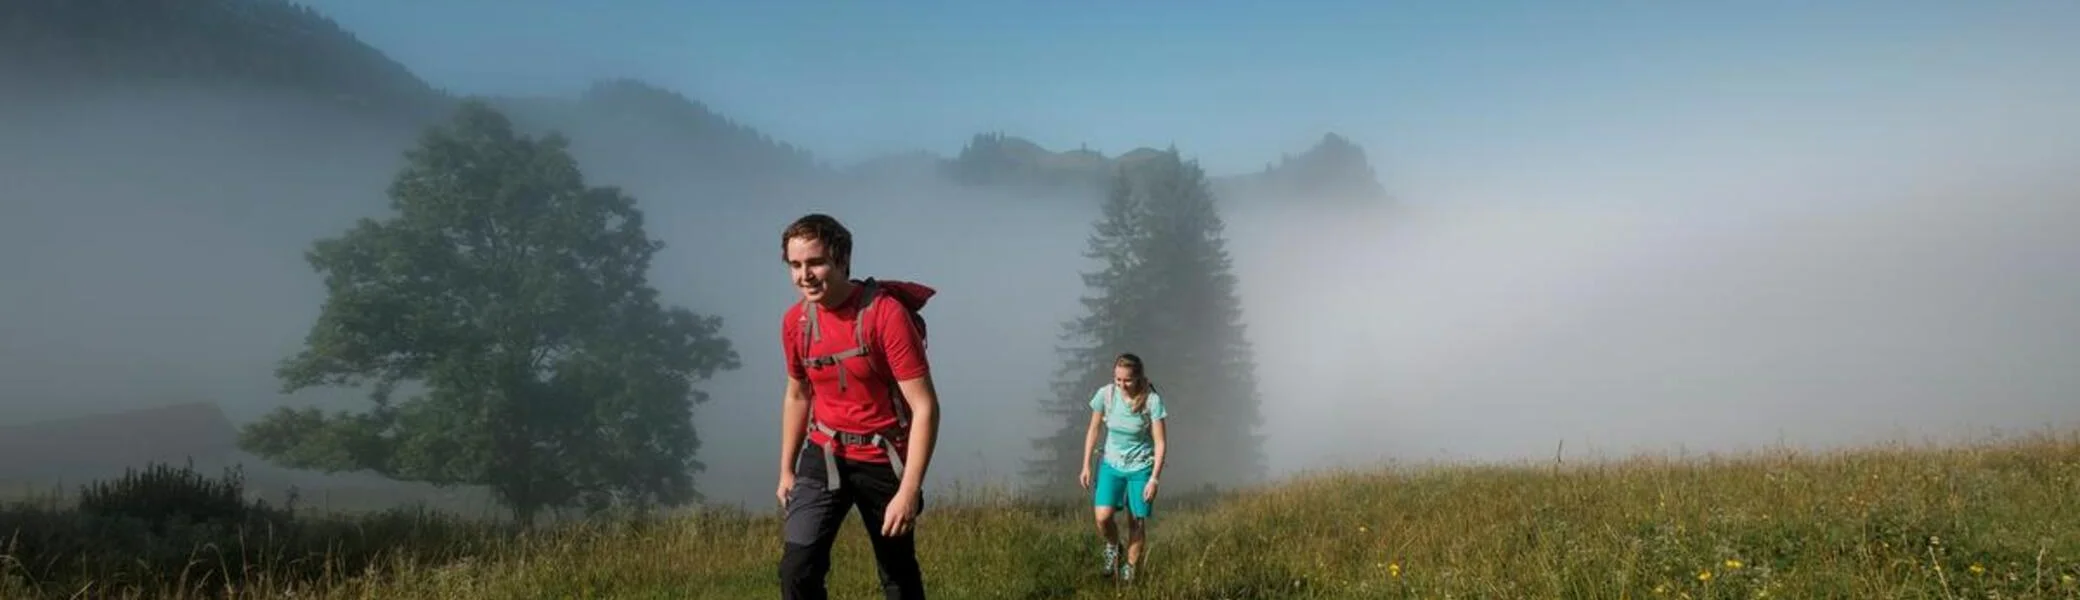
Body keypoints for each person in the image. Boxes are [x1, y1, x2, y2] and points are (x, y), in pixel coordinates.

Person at [775, 213, 941, 600]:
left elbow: (925, 408)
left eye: (816, 262)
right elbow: (797, 395)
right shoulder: (795, 322)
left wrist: (909, 490)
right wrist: (786, 469)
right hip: (824, 451)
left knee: (896, 572)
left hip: (882, 456)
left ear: (843, 260)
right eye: (795, 265)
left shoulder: (885, 315)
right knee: (797, 568)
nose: (805, 276)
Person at [1078, 352, 1168, 583]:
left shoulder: (1151, 401)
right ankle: (1113, 546)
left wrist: (1154, 479)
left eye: (1126, 380)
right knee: (1102, 517)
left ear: (1138, 377)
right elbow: (1093, 430)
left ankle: (1130, 568)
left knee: (1136, 520)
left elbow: (1160, 442)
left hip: (1141, 468)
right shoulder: (1105, 395)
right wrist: (1086, 465)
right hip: (1111, 464)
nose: (1121, 384)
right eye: (1118, 379)